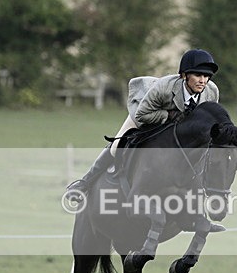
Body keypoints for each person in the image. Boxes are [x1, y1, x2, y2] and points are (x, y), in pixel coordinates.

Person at [65, 49, 219, 204]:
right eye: (198, 75)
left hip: (179, 126)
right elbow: (142, 114)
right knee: (116, 145)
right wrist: (168, 115)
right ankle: (84, 183)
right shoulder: (164, 88)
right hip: (146, 111)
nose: (203, 80)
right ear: (184, 75)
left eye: (206, 76)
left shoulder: (211, 92)